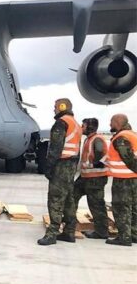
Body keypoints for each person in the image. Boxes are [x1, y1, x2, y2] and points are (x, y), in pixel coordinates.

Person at [38, 98, 81, 245]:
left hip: (61, 165)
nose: (54, 109)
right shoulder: (76, 124)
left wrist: (48, 167)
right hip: (71, 165)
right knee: (69, 199)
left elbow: (55, 148)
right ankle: (69, 232)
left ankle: (52, 233)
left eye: (55, 106)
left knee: (55, 199)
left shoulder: (61, 123)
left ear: (62, 107)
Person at [63, 118, 109, 239]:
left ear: (90, 127)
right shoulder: (89, 139)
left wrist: (94, 164)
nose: (81, 128)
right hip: (86, 176)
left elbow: (100, 153)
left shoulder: (97, 139)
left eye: (83, 126)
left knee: (96, 205)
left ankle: (102, 232)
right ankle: (69, 223)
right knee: (72, 196)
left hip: (95, 178)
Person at [105, 113, 137, 246]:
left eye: (111, 122)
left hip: (123, 179)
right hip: (133, 179)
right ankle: (134, 234)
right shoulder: (133, 134)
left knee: (121, 207)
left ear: (118, 123)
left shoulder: (121, 137)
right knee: (133, 207)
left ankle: (124, 237)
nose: (110, 124)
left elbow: (128, 158)